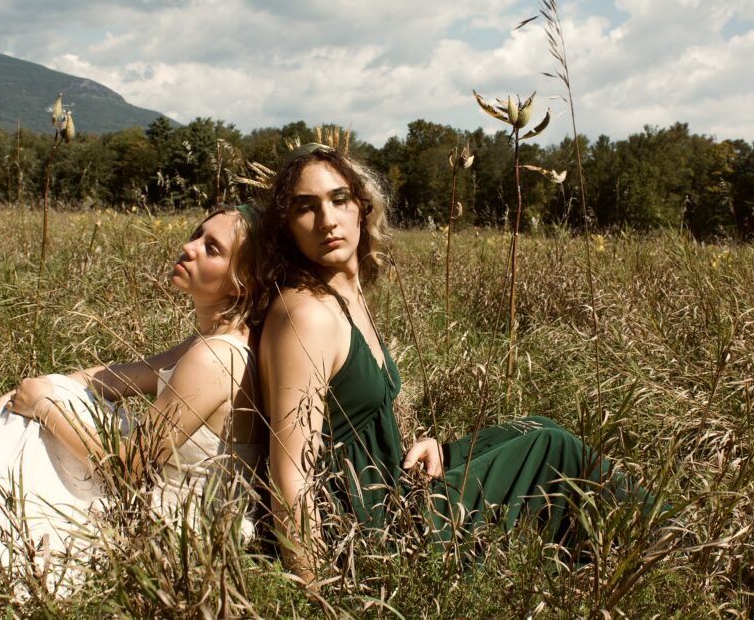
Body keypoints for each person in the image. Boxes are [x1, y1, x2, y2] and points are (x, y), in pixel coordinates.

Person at [255, 145, 657, 583]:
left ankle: (616, 553)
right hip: (376, 532)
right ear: (287, 226)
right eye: (305, 207)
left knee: (536, 427)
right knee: (552, 448)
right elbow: (289, 474)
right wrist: (317, 593)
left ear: (361, 207)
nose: (327, 220)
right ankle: (664, 542)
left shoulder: (344, 295)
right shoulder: (307, 315)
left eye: (339, 199)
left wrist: (435, 449)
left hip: (394, 486)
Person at [0, 205, 266, 589]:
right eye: (197, 235)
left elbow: (131, 470)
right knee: (62, 390)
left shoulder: (213, 358)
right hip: (165, 497)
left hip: (177, 528)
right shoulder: (214, 340)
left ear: (241, 282)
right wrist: (20, 393)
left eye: (212, 248)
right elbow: (115, 378)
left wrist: (44, 407)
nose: (189, 247)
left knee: (47, 415)